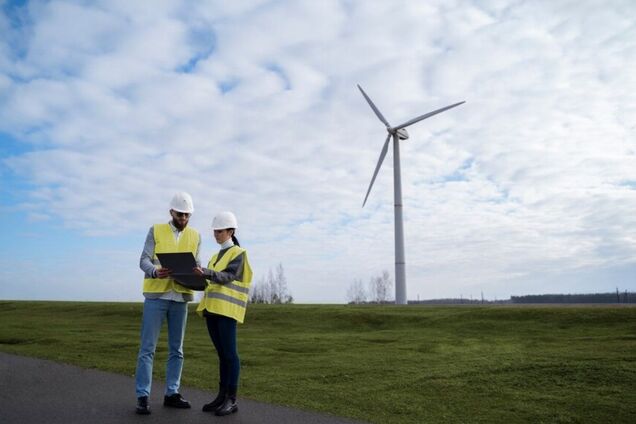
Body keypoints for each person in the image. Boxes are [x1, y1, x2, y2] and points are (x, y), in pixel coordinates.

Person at [134, 192, 201, 415]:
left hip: (180, 299)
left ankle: (172, 393)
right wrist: (154, 271)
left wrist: (198, 274)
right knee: (147, 349)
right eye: (180, 215)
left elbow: (197, 264)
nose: (183, 219)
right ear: (171, 212)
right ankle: (143, 396)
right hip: (156, 297)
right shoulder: (156, 230)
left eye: (187, 216)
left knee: (177, 350)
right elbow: (143, 259)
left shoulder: (196, 236)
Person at [193, 211, 253, 416]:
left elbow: (228, 276)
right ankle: (221, 396)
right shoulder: (213, 257)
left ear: (231, 231)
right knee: (222, 355)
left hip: (227, 311)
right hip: (212, 310)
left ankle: (232, 400)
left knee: (230, 354)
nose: (216, 234)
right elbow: (211, 282)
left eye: (220, 231)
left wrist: (207, 273)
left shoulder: (239, 253)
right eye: (215, 231)